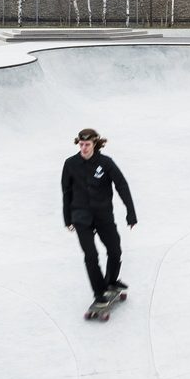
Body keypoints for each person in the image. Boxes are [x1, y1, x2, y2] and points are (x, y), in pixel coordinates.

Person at [61, 128, 137, 306]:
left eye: (87, 144)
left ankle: (111, 281)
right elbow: (66, 192)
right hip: (81, 216)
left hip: (103, 215)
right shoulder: (70, 164)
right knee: (91, 255)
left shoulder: (106, 163)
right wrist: (67, 218)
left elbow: (121, 185)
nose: (84, 148)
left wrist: (131, 212)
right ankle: (99, 292)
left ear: (95, 144)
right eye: (81, 144)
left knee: (115, 250)